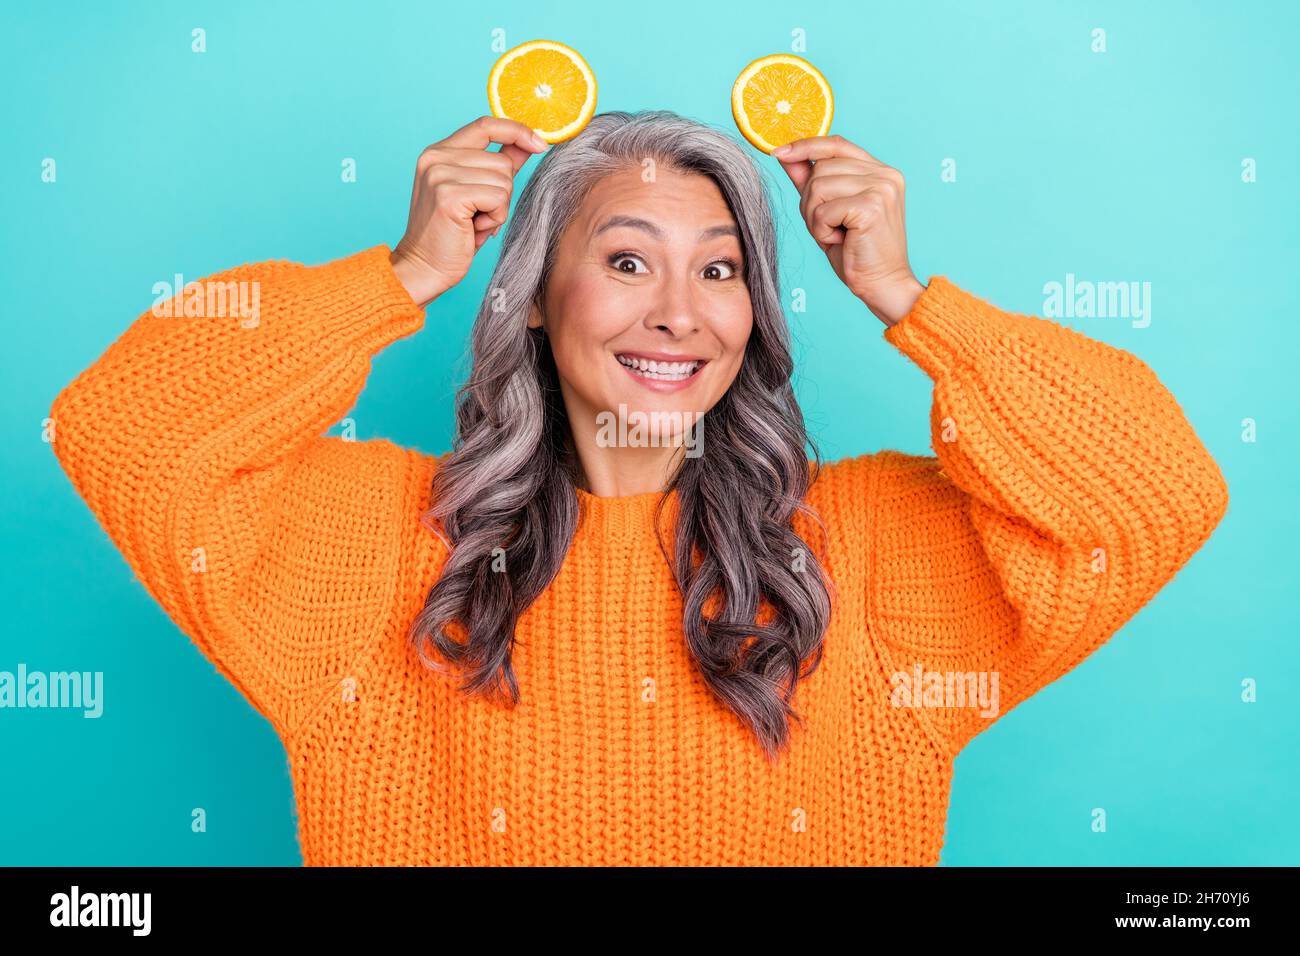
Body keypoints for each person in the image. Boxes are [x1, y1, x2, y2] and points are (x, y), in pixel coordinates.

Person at [48, 110, 1229, 866]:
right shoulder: (377, 545)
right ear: (531, 295)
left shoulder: (859, 551)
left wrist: (913, 300)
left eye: (719, 269)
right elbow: (123, 429)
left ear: (752, 311)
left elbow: (1154, 491)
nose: (678, 310)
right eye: (624, 262)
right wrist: (401, 275)